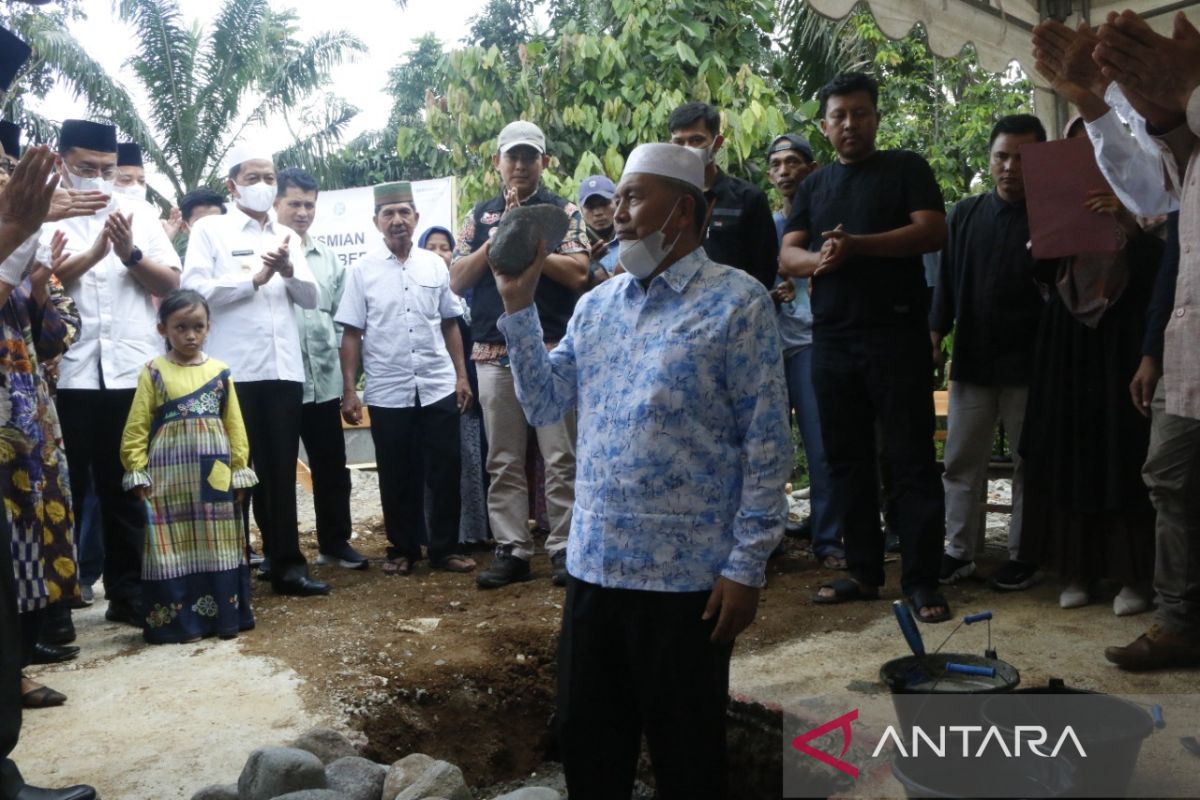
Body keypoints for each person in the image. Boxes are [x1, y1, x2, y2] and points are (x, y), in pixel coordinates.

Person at [494, 142, 789, 800]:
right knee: (590, 741)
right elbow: (545, 401)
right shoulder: (598, 307)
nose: (616, 215)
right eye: (618, 200)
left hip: (688, 586)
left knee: (687, 754)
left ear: (681, 211)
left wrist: (747, 566)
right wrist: (517, 305)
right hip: (595, 571)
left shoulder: (738, 305)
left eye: (633, 198)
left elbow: (767, 444)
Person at [779, 72, 950, 622]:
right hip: (831, 339)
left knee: (910, 458)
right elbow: (789, 253)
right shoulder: (815, 185)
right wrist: (821, 262)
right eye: (839, 116)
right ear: (826, 126)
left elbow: (932, 230)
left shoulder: (905, 169)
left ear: (875, 117)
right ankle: (863, 570)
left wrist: (858, 248)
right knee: (845, 458)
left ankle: (923, 580)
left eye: (860, 113)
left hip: (895, 334)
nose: (850, 124)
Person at [1062, 8, 1200, 664]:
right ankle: (1178, 620)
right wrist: (1095, 106)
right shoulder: (1184, 136)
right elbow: (1158, 202)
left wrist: (1186, 95)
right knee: (1169, 477)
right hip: (1185, 343)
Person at [1015, 116, 1160, 615]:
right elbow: (1036, 272)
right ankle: (1078, 570)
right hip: (1070, 345)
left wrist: (1126, 222)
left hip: (1123, 342)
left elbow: (1164, 270)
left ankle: (1134, 578)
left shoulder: (1153, 197)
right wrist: (1051, 229)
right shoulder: (1058, 198)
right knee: (1074, 448)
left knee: (1123, 450)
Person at [45, 119, 182, 632]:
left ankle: (128, 594)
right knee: (64, 493)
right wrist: (94, 255)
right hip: (69, 374)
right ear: (62, 164)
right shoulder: (43, 213)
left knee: (127, 487)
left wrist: (128, 254)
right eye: (86, 168)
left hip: (128, 372)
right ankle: (56, 607)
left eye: (106, 170)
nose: (99, 179)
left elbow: (170, 281)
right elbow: (38, 280)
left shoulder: (138, 212)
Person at [0, 136, 102, 800]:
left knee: (13, 575)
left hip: (19, 426)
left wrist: (35, 263)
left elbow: (53, 331)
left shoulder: (23, 245)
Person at [181, 145, 328, 597]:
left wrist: (286, 271)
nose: (263, 185)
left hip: (283, 370)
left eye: (269, 177)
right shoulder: (211, 230)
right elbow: (195, 292)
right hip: (234, 370)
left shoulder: (288, 235)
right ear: (232, 185)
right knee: (230, 471)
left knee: (280, 471)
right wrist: (252, 281)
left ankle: (287, 566)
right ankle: (231, 567)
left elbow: (311, 298)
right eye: (254, 177)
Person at [449, 120, 588, 589]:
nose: (521, 164)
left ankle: (566, 547)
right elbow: (456, 279)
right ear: (497, 162)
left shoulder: (562, 210)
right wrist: (498, 237)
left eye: (530, 156)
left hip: (552, 348)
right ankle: (512, 549)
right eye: (513, 156)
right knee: (504, 457)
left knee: (560, 454)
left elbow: (578, 272)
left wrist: (532, 243)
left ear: (544, 162)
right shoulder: (479, 214)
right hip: (492, 350)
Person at [931, 115, 1048, 591]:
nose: (1010, 167)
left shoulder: (1053, 216)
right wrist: (935, 335)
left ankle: (1024, 555)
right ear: (989, 158)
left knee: (1029, 464)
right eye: (1002, 156)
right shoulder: (965, 214)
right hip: (975, 361)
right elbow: (946, 284)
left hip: (1032, 366)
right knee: (961, 460)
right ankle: (958, 551)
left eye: (1022, 158)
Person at [337, 183, 476, 576]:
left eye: (403, 212)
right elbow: (351, 334)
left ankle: (444, 549)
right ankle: (402, 548)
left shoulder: (435, 265)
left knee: (445, 469)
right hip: (387, 388)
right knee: (397, 473)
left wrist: (461, 376)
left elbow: (449, 322)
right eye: (388, 214)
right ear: (376, 222)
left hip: (436, 384)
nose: (396, 220)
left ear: (415, 216)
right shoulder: (362, 272)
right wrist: (351, 390)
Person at [119, 290, 257, 643]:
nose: (190, 335)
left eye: (198, 327)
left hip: (214, 472)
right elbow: (137, 424)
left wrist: (239, 468)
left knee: (217, 539)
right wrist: (136, 467)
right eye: (181, 327)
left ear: (209, 327)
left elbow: (234, 424)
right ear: (163, 328)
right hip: (168, 477)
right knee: (172, 543)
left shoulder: (220, 372)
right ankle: (180, 625)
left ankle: (221, 620)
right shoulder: (153, 371)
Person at [272, 168, 365, 571]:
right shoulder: (259, 252)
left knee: (332, 467)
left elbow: (345, 327)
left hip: (325, 382)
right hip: (277, 382)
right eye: (294, 202)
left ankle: (334, 542)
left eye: (309, 204)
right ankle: (281, 553)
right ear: (275, 203)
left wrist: (349, 387)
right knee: (274, 472)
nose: (303, 211)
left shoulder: (327, 258)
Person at [765, 133, 843, 567]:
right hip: (769, 350)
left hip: (814, 343)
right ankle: (770, 534)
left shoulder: (826, 222)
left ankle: (828, 537)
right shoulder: (767, 226)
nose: (783, 172)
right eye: (776, 165)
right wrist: (767, 293)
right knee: (769, 447)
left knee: (821, 446)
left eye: (793, 162)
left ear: (811, 169)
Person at [420, 225, 490, 546]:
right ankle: (434, 533)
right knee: (436, 466)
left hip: (470, 387)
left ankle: (472, 532)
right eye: (431, 247)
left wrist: (466, 379)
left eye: (445, 247)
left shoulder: (473, 291)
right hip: (435, 390)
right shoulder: (419, 293)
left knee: (469, 462)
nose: (439, 253)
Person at [668, 101, 779, 290]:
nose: (687, 149)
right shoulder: (666, 200)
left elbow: (765, 268)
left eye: (696, 140)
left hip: (735, 309)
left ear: (716, 144)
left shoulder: (748, 198)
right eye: (679, 142)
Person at [578, 175, 618, 284]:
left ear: (617, 202)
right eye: (590, 207)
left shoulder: (634, 238)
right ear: (581, 211)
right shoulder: (576, 252)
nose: (598, 213)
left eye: (604, 204)